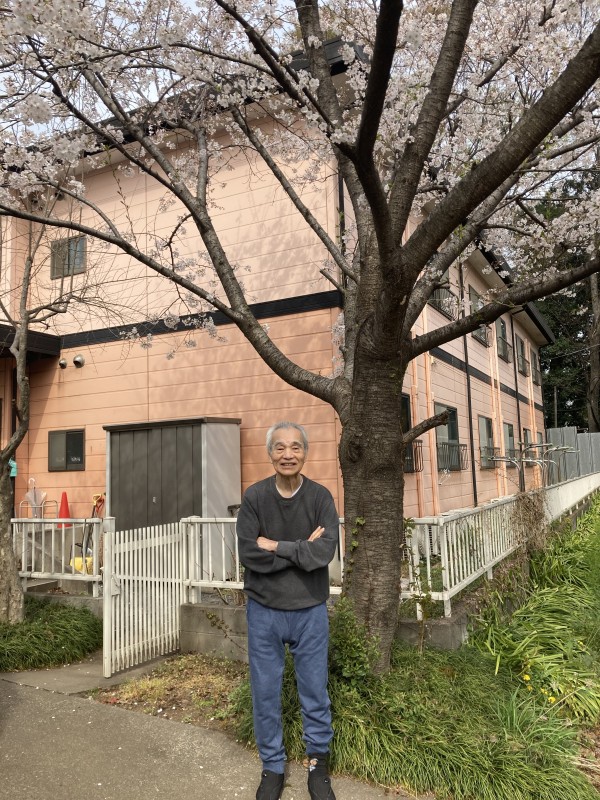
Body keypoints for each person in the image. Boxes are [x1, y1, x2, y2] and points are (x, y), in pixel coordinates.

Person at [236, 421, 339, 800]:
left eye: (295, 447)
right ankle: (273, 766)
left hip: (310, 610)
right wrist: (300, 550)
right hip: (264, 610)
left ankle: (318, 765)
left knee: (314, 690)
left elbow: (323, 553)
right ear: (270, 453)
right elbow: (249, 553)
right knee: (265, 692)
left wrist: (277, 546)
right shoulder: (254, 497)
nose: (287, 454)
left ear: (305, 453)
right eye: (279, 447)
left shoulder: (320, 497)